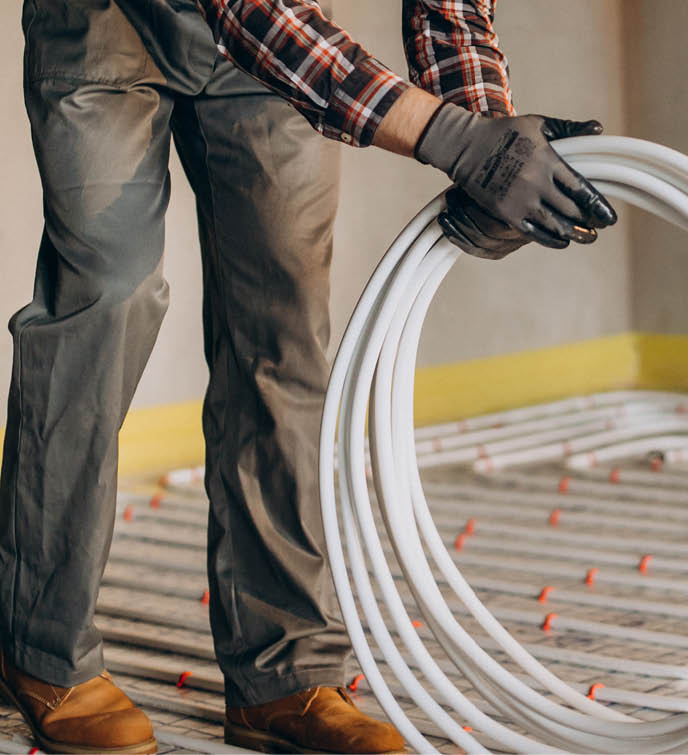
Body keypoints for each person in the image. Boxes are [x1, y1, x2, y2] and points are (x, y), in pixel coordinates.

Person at [0, 1, 617, 753]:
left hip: (276, 45)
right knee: (108, 294)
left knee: (284, 324)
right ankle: (42, 650)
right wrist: (452, 139)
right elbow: (250, 11)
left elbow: (448, 9)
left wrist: (488, 133)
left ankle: (285, 673)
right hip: (109, 20)